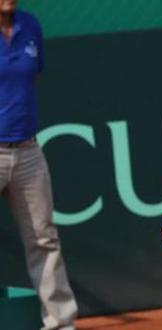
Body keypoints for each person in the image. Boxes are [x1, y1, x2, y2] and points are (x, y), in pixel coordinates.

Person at [0, 1, 78, 329]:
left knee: (44, 239)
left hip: (29, 150)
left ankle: (60, 324)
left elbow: (32, 77)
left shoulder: (30, 25)